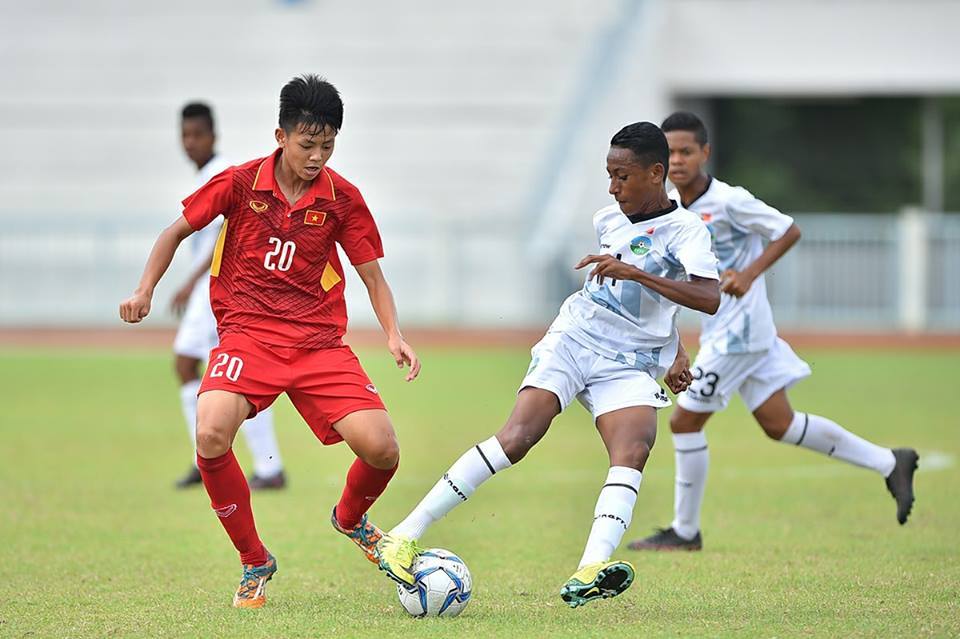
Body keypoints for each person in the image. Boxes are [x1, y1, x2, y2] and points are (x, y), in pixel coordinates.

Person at [375, 122, 720, 608]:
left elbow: (707, 296)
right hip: (575, 338)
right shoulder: (609, 218)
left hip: (628, 361)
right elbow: (638, 294)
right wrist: (669, 333)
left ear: (656, 173)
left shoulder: (686, 231)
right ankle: (405, 535)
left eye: (622, 176)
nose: (612, 186)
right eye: (609, 174)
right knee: (518, 436)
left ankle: (589, 568)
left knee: (635, 447)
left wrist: (671, 341)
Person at [120, 75, 420, 608]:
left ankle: (351, 520)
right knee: (210, 433)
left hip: (318, 343)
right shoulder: (239, 183)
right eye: (308, 145)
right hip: (247, 336)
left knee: (383, 450)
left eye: (328, 146)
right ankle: (253, 560)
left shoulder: (343, 198)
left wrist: (394, 334)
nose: (317, 156)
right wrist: (145, 290)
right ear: (280, 136)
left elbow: (373, 276)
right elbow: (174, 233)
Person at [628, 112, 918, 553]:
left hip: (740, 332)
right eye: (671, 153)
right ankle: (888, 462)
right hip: (731, 330)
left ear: (706, 152)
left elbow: (787, 229)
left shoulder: (729, 201)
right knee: (778, 423)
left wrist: (748, 272)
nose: (679, 160)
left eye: (688, 151)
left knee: (685, 420)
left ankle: (685, 531)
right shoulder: (671, 209)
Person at [171, 102, 286, 491]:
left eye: (197, 135)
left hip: (221, 289)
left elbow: (225, 233)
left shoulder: (225, 174)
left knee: (239, 379)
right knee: (186, 364)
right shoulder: (204, 174)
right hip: (206, 293)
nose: (190, 142)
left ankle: (269, 466)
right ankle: (202, 457)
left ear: (213, 136)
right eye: (185, 135)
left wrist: (190, 281)